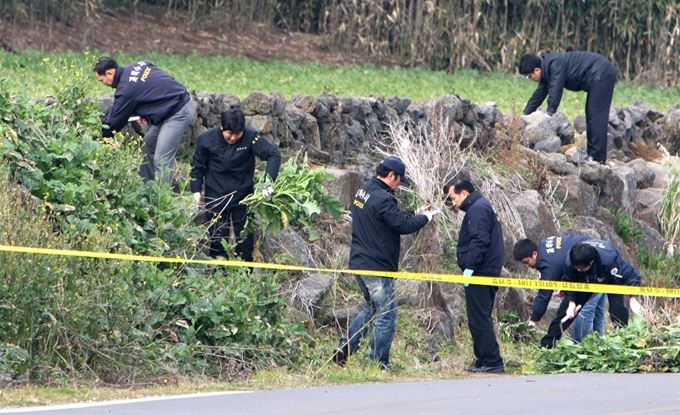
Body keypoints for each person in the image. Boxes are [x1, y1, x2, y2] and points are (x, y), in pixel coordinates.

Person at [332, 156, 438, 369]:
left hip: (360, 263)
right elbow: (402, 226)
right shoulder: (383, 198)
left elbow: (391, 218)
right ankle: (378, 363)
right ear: (391, 176)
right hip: (377, 267)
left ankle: (345, 349)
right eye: (399, 181)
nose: (399, 186)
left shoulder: (365, 191)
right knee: (386, 316)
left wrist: (415, 213)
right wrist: (426, 217)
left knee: (370, 308)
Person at [190, 108, 281, 260]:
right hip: (216, 196)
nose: (233, 138)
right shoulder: (206, 140)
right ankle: (218, 272)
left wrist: (268, 182)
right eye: (229, 134)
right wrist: (196, 190)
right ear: (221, 127)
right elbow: (198, 168)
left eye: (237, 134)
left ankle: (244, 272)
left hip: (243, 196)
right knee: (218, 238)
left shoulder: (250, 138)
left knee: (245, 239)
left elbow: (273, 155)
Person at [93, 56, 194, 183]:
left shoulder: (126, 91)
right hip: (171, 106)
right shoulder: (138, 65)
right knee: (149, 144)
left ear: (110, 73)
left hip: (178, 112)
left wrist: (97, 135)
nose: (104, 84)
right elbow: (149, 83)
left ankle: (163, 199)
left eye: (102, 80)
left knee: (162, 159)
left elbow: (113, 123)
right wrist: (147, 108)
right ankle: (148, 189)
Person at [446, 178, 504, 373]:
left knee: (479, 318)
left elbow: (480, 241)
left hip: (481, 272)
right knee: (476, 318)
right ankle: (482, 359)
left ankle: (492, 361)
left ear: (464, 193)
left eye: (454, 198)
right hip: (481, 271)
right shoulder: (478, 208)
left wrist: (470, 266)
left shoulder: (478, 209)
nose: (453, 203)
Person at [518, 51, 617, 163]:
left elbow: (556, 90)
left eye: (529, 76)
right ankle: (593, 155)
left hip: (602, 73)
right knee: (591, 113)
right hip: (597, 75)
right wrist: (523, 116)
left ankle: (597, 158)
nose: (530, 79)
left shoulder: (555, 64)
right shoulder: (547, 69)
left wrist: (548, 114)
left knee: (596, 114)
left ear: (536, 70)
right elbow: (538, 95)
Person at [512, 236, 606, 348]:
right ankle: (601, 345)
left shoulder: (547, 264)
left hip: (589, 266)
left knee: (584, 311)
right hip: (598, 257)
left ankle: (579, 347)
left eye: (527, 262)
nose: (528, 266)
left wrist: (534, 320)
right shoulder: (543, 245)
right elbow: (562, 262)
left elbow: (543, 296)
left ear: (534, 254)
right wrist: (564, 285)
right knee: (598, 310)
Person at [563, 240, 643, 323]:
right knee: (568, 310)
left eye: (581, 268)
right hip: (585, 280)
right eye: (576, 268)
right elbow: (568, 280)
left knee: (616, 309)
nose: (578, 270)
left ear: (591, 263)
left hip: (609, 276)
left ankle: (621, 331)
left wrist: (633, 298)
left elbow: (632, 275)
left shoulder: (610, 261)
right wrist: (571, 302)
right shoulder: (571, 260)